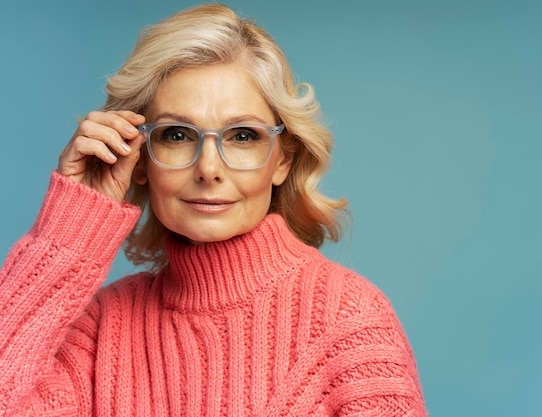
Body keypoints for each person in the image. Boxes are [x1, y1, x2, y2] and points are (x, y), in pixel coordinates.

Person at [0, 4, 427, 416]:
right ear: (140, 157)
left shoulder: (349, 319)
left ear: (283, 160)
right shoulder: (100, 328)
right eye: (177, 135)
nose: (208, 169)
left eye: (242, 136)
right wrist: (68, 230)